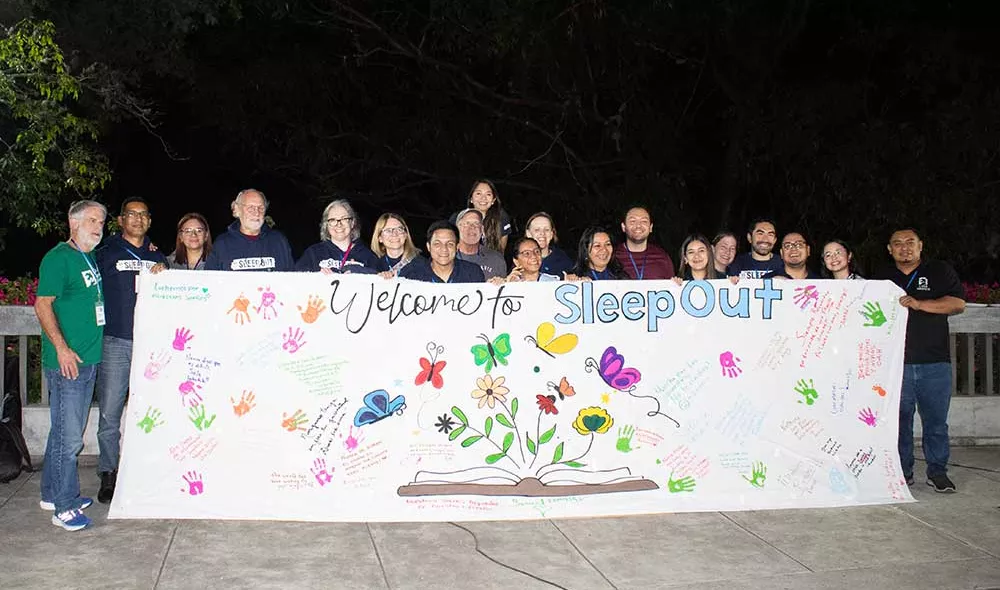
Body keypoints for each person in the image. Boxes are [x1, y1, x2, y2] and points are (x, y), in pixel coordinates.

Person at [34, 200, 107, 531]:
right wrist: (61, 348)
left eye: (102, 222)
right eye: (91, 220)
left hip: (88, 359)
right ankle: (63, 507)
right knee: (69, 438)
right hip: (69, 363)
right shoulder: (58, 258)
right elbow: (42, 304)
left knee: (61, 432)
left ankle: (51, 493)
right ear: (72, 222)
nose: (98, 226)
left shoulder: (86, 256)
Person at [875, 228, 965, 493]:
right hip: (895, 365)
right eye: (897, 244)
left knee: (936, 422)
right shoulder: (881, 278)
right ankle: (903, 472)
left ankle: (938, 472)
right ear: (889, 249)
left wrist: (920, 304)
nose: (904, 248)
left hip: (935, 363)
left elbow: (958, 303)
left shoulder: (939, 270)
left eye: (910, 243)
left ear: (920, 246)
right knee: (899, 422)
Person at [93, 197, 167, 504]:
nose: (138, 219)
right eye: (131, 214)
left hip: (151, 344)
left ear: (149, 221)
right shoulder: (105, 252)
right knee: (110, 412)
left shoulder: (158, 256)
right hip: (116, 341)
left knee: (153, 410)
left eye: (143, 214)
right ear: (121, 220)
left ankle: (147, 468)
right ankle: (108, 471)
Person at [205, 188, 294, 271]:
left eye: (261, 208)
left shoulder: (278, 241)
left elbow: (291, 279)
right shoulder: (222, 244)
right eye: (250, 208)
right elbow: (211, 282)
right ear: (236, 210)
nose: (256, 213)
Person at [296, 199, 380, 273]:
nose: (339, 224)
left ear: (352, 223)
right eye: (333, 220)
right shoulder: (313, 254)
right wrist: (318, 278)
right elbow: (296, 283)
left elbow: (380, 281)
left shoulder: (368, 256)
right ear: (326, 225)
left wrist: (360, 271)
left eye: (344, 219)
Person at [399, 221, 486, 283]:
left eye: (450, 244)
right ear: (428, 247)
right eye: (437, 244)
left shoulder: (473, 272)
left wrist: (495, 287)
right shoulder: (411, 274)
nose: (444, 249)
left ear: (457, 247)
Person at [449, 179, 513, 253]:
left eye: (488, 194)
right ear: (471, 198)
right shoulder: (457, 218)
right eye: (478, 193)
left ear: (493, 200)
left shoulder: (501, 218)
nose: (483, 198)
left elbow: (501, 251)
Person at [613, 206, 675, 280]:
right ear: (623, 227)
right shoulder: (613, 256)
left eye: (644, 221)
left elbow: (672, 288)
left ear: (651, 227)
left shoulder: (662, 257)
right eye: (633, 221)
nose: (638, 226)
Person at [455, 208, 507, 279]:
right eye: (467, 223)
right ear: (458, 228)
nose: (472, 227)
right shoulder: (445, 257)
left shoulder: (496, 259)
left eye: (476, 223)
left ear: (482, 229)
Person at [524, 212, 573, 277]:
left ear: (552, 234)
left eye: (546, 230)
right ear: (528, 233)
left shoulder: (563, 260)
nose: (542, 233)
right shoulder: (520, 260)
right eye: (537, 230)